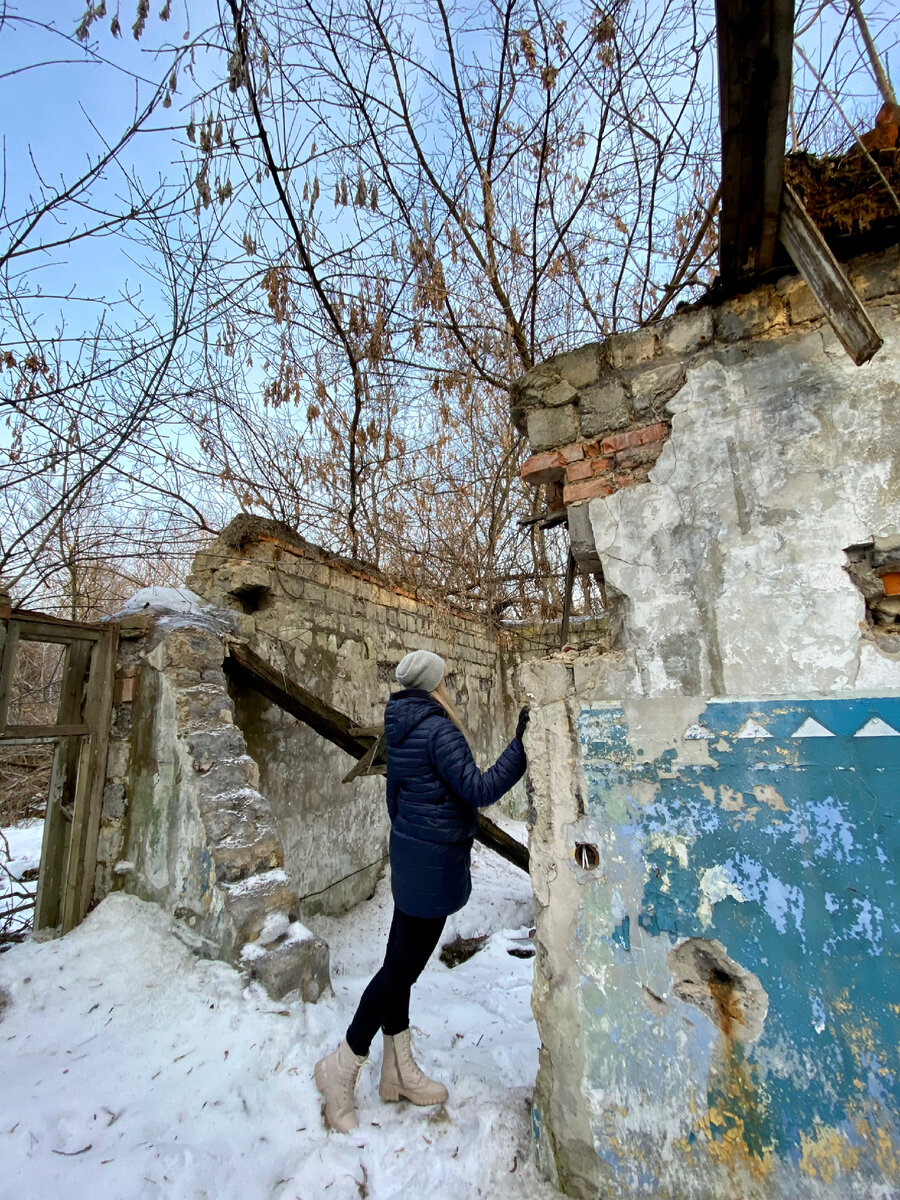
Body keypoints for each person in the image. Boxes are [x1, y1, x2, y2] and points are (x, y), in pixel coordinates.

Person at [314, 649, 529, 1133]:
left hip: (412, 857)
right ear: (435, 686)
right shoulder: (439, 730)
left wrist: (415, 836)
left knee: (400, 964)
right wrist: (521, 742)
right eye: (445, 682)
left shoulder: (400, 727)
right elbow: (480, 788)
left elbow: (396, 800)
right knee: (399, 971)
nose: (447, 688)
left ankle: (396, 1073)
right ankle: (342, 1065)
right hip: (433, 865)